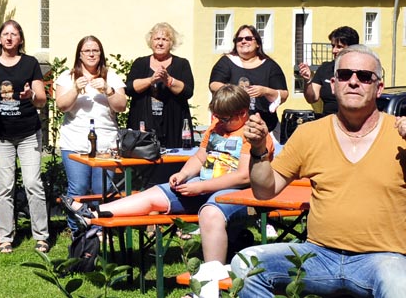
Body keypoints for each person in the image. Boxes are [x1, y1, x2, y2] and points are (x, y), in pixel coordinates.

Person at [232, 44, 406, 297]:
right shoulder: (310, 133)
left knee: (400, 286)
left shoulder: (399, 134)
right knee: (246, 264)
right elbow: (264, 190)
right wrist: (259, 149)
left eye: (364, 76)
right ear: (333, 84)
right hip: (319, 256)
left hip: (383, 259)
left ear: (378, 87)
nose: (354, 82)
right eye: (345, 75)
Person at [62, 84, 274, 264]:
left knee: (210, 212)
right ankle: (93, 213)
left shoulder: (254, 134)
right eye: (216, 117)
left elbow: (244, 176)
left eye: (225, 118)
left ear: (243, 113)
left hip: (239, 195)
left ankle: (212, 279)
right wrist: (183, 174)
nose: (219, 122)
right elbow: (200, 158)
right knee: (155, 194)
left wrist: (200, 186)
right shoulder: (216, 128)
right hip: (203, 186)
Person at [0, 20, 50, 255]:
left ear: (20, 40)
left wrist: (30, 96)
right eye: (5, 34)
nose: (9, 38)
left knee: (32, 184)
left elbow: (42, 100)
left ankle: (41, 236)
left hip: (28, 133)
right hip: (1, 135)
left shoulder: (30, 63)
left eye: (14, 34)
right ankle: (5, 238)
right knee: (4, 187)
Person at [55, 35, 127, 232]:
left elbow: (121, 106)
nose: (92, 54)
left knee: (102, 190)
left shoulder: (111, 77)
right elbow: (62, 105)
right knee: (78, 189)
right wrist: (75, 90)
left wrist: (108, 90)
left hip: (106, 144)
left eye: (96, 50)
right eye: (87, 50)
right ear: (80, 54)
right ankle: (77, 232)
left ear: (101, 54)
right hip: (74, 142)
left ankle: (99, 231)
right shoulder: (67, 77)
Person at [209, 25, 288, 135]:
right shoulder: (226, 62)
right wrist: (236, 92)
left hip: (264, 126)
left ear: (258, 43)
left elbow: (283, 94)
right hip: (231, 127)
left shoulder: (270, 65)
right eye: (239, 39)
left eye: (248, 38)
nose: (243, 41)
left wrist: (264, 91)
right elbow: (214, 84)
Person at [125, 22, 194, 147]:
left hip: (173, 125)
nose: (160, 43)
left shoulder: (182, 64)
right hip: (143, 125)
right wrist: (150, 80)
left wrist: (169, 80)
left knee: (173, 164)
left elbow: (188, 92)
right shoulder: (140, 63)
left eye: (165, 39)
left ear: (171, 43)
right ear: (151, 41)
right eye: (157, 39)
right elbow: (129, 89)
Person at [297, 25, 359, 117]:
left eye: (339, 47)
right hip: (327, 121)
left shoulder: (362, 71)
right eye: (333, 46)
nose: (334, 50)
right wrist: (308, 80)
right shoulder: (325, 68)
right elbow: (312, 98)